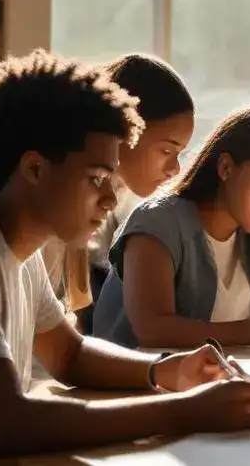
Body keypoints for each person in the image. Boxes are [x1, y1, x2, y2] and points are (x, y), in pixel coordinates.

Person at [0, 50, 250, 466]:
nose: (109, 198)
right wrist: (186, 412)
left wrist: (165, 371)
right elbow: (6, 426)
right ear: (34, 169)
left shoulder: (18, 251)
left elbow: (69, 356)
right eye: (96, 179)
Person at [93, 105, 250, 349]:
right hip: (141, 383)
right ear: (226, 168)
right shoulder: (158, 222)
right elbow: (152, 330)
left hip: (226, 378)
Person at [42, 53, 196, 321]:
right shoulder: (58, 213)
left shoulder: (120, 203)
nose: (175, 169)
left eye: (179, 154)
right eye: (166, 151)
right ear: (127, 130)